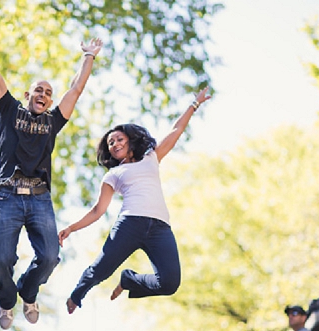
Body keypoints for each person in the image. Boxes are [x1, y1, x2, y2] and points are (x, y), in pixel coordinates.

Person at [0, 4, 103, 329]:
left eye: (48, 92)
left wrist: (89, 57)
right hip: (9, 197)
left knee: (50, 257)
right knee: (1, 259)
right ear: (28, 95)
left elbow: (76, 89)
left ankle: (29, 293)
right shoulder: (10, 110)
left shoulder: (54, 121)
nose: (43, 94)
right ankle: (6, 302)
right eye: (38, 90)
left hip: (40, 199)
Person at [58, 88, 211, 314]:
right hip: (130, 224)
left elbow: (176, 130)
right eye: (110, 143)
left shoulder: (151, 157)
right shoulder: (112, 175)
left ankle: (129, 280)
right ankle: (76, 295)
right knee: (101, 270)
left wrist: (194, 104)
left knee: (170, 283)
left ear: (130, 140)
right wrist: (71, 228)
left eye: (119, 139)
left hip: (160, 227)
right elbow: (97, 210)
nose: (115, 143)